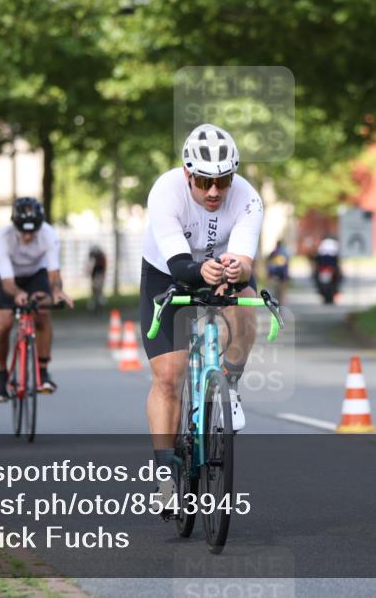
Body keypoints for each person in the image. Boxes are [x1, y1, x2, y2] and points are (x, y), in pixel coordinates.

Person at [139, 123, 263, 505]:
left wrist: (233, 271)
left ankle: (231, 384)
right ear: (187, 174)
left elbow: (244, 260)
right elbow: (178, 263)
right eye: (205, 182)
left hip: (223, 268)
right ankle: (164, 477)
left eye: (223, 182)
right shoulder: (165, 192)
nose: (213, 192)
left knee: (246, 308)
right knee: (168, 377)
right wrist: (200, 272)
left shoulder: (248, 198)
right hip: (167, 272)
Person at [0, 197, 73, 402]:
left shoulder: (48, 234)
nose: (27, 236)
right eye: (23, 231)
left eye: (32, 231)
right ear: (14, 224)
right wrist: (17, 294)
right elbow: (7, 281)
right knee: (2, 324)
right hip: (8, 277)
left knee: (42, 312)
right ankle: (1, 376)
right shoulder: (2, 238)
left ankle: (43, 372)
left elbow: (53, 272)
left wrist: (57, 290)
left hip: (37, 274)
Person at [87, 245, 107, 313]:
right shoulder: (94, 258)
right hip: (95, 276)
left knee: (98, 291)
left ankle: (99, 305)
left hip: (99, 276)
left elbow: (102, 268)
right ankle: (95, 305)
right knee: (95, 292)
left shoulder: (100, 258)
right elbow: (90, 267)